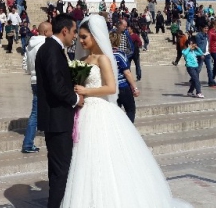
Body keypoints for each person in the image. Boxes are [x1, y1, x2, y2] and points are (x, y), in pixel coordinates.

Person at [60, 15, 191, 208]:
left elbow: (111, 88)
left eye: (84, 37)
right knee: (87, 158)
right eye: (79, 36)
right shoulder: (82, 59)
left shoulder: (103, 59)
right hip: (85, 112)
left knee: (104, 156)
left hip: (100, 111)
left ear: (96, 36)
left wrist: (86, 91)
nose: (81, 41)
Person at [36, 13, 84, 208]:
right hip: (57, 120)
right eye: (73, 32)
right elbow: (56, 85)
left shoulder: (51, 48)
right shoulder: (53, 50)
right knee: (61, 170)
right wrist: (75, 99)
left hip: (54, 118)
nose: (74, 36)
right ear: (65, 30)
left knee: (57, 168)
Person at [21, 21, 52, 154]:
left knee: (39, 110)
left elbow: (26, 66)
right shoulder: (46, 44)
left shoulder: (29, 45)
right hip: (44, 81)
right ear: (45, 32)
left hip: (34, 80)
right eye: (51, 30)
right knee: (35, 113)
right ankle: (28, 143)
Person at [110, 31, 139, 123]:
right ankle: (129, 128)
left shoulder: (106, 55)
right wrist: (135, 87)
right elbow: (127, 72)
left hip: (112, 88)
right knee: (130, 109)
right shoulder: (119, 54)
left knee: (116, 111)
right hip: (123, 87)